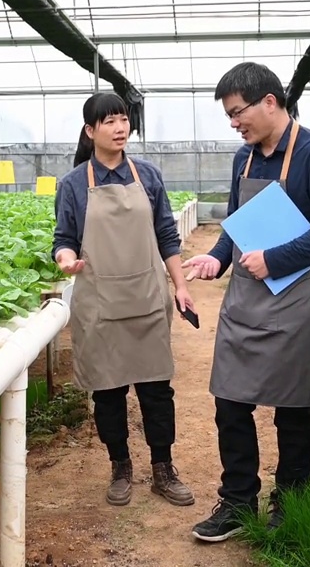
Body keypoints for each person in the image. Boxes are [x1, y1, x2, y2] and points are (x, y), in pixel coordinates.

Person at [182, 62, 310, 542]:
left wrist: (275, 259)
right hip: (244, 301)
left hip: (292, 297)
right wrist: (217, 258)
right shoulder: (245, 159)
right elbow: (236, 221)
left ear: (270, 102)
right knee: (229, 402)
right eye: (231, 116)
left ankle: (290, 502)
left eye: (238, 113)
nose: (235, 123)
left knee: (292, 409)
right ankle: (237, 502)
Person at [52, 92, 197, 508]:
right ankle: (120, 466)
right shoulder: (74, 184)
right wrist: (66, 259)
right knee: (107, 392)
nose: (120, 128)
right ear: (90, 130)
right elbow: (64, 239)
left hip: (147, 298)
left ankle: (163, 469)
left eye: (124, 120)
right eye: (110, 121)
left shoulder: (148, 176)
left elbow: (167, 236)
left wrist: (181, 285)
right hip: (100, 302)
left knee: (156, 391)